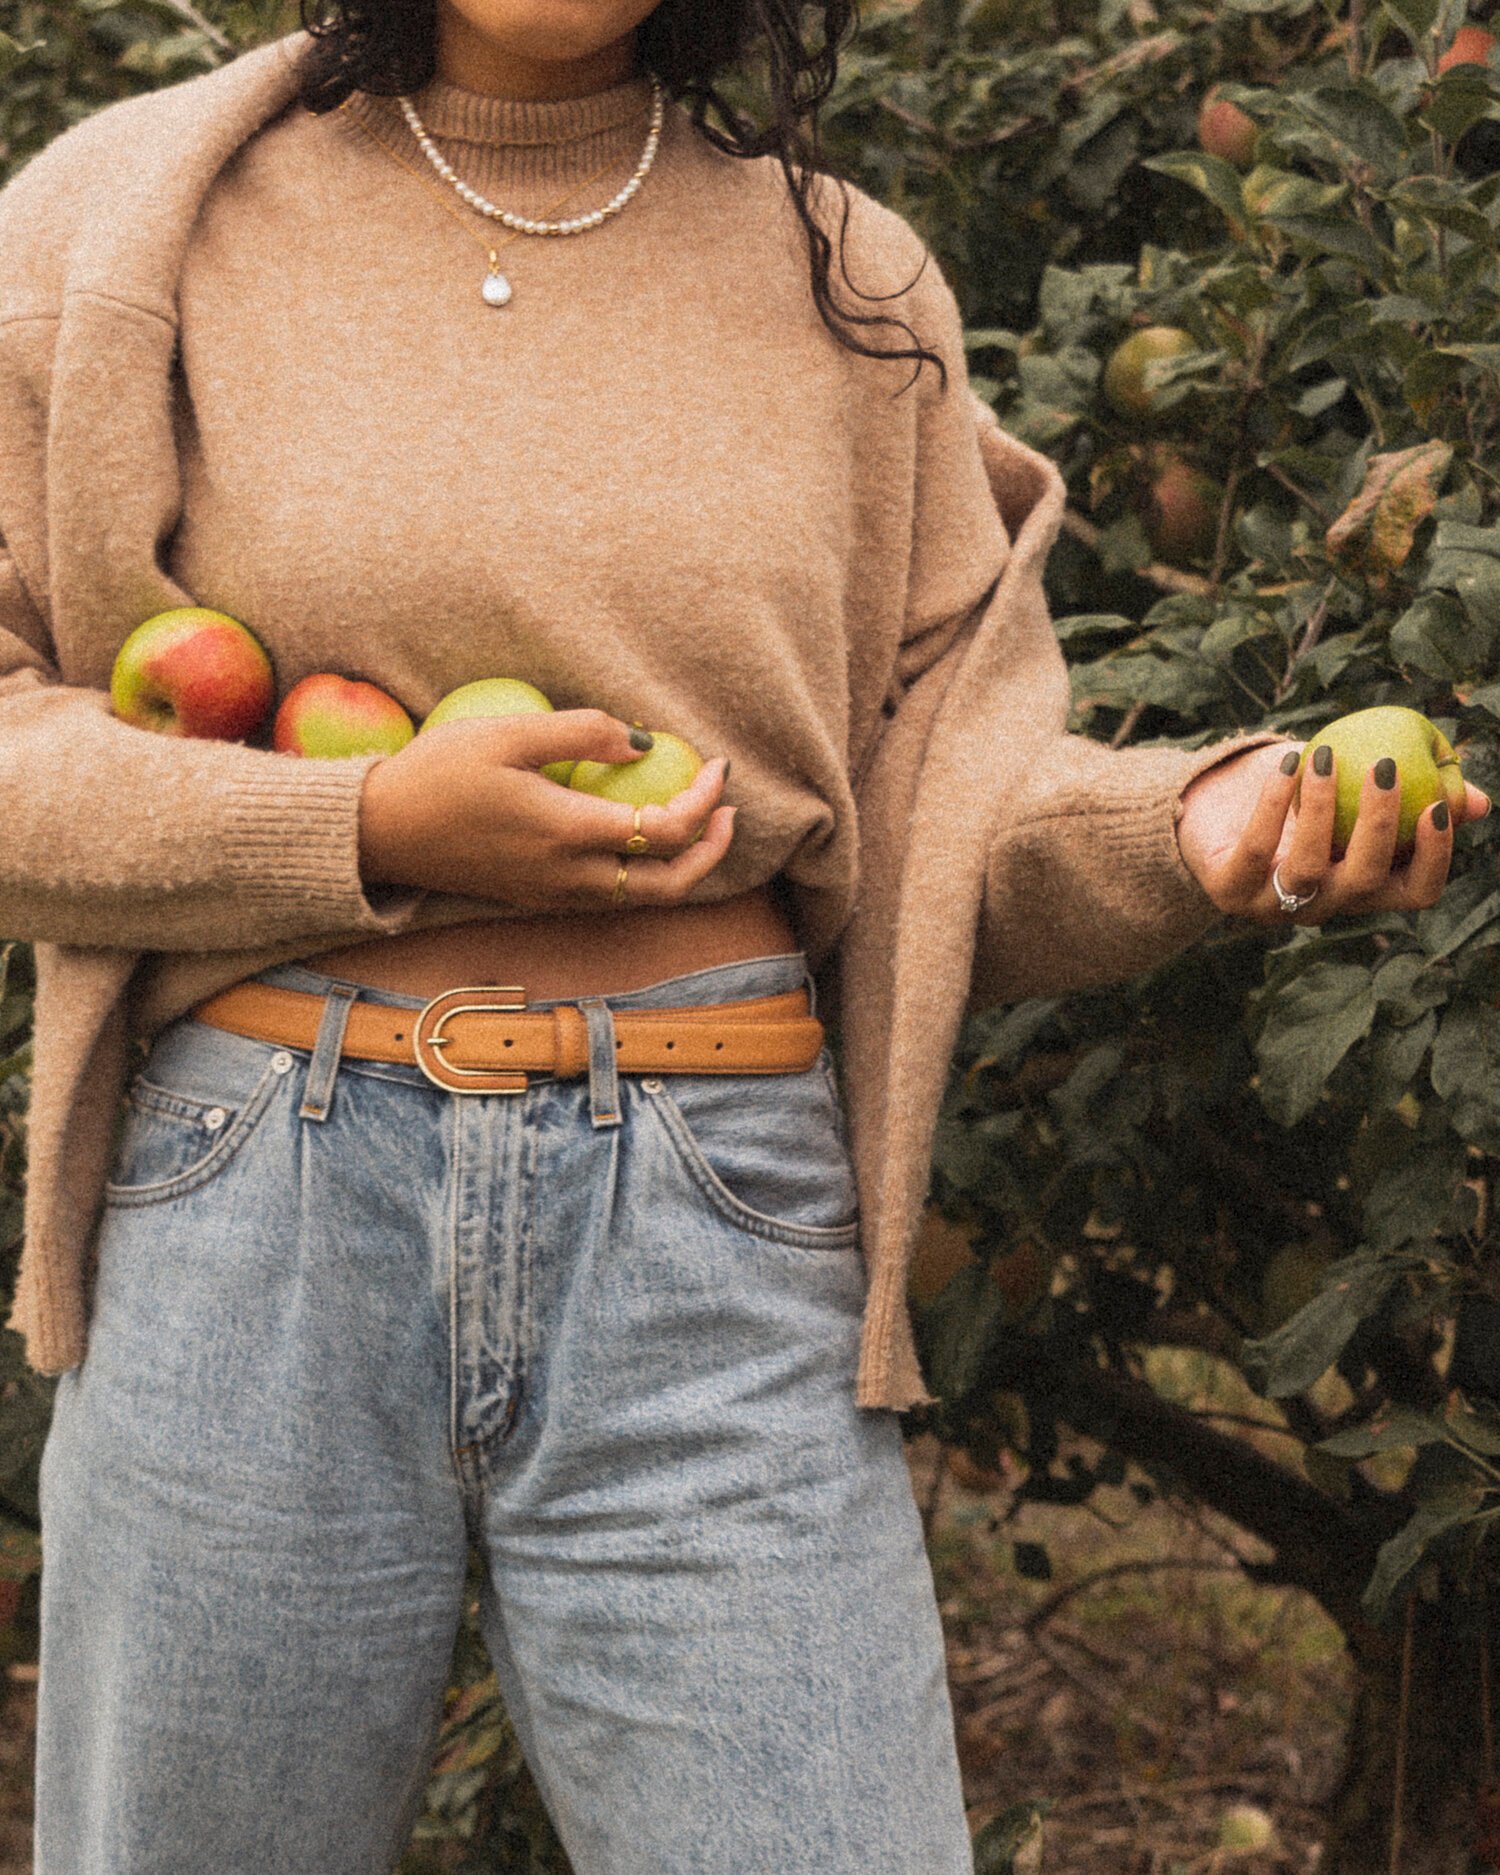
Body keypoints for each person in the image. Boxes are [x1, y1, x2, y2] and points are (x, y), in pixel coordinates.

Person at [0, 1, 1485, 1870]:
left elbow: (954, 812)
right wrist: (364, 823)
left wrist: (1196, 825)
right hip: (253, 1219)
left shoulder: (852, 282)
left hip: (709, 1244)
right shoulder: (124, 231)